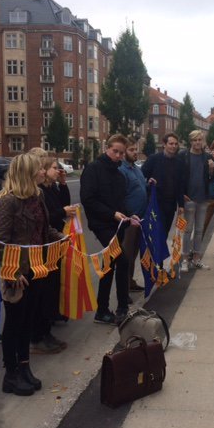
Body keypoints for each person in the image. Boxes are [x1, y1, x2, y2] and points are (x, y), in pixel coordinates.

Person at [0, 153, 65, 396]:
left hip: (38, 268)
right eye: (38, 169)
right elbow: (2, 242)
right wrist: (11, 273)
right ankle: (11, 374)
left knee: (27, 322)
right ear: (27, 173)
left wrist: (61, 238)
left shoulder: (38, 196)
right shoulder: (8, 202)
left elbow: (44, 228)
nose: (43, 172)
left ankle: (25, 368)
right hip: (18, 273)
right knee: (14, 324)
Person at [80, 134, 139, 325]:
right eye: (116, 151)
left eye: (122, 153)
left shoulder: (118, 173)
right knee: (121, 260)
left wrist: (131, 215)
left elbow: (121, 201)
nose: (119, 156)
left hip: (118, 224)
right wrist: (112, 213)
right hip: (101, 225)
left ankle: (102, 310)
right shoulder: (93, 169)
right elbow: (88, 200)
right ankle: (122, 307)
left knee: (109, 265)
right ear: (107, 149)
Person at [30, 156, 77, 354]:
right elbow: (49, 216)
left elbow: (59, 209)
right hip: (40, 248)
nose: (58, 171)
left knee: (50, 289)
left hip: (52, 241)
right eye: (52, 168)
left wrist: (64, 185)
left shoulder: (49, 189)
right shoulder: (37, 192)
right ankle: (38, 336)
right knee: (41, 293)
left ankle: (46, 330)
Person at [178, 130, 214, 271]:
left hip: (203, 198)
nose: (197, 142)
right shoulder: (183, 156)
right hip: (189, 198)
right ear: (191, 141)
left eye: (200, 140)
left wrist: (211, 169)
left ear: (203, 141)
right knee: (187, 230)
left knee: (199, 230)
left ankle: (197, 258)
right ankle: (185, 259)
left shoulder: (207, 157)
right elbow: (178, 176)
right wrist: (181, 194)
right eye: (195, 140)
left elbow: (210, 178)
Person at [141, 132, 185, 237]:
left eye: (175, 144)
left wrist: (181, 205)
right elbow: (141, 176)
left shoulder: (179, 163)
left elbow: (180, 185)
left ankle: (159, 253)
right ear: (164, 144)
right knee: (155, 234)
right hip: (155, 204)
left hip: (170, 205)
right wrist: (148, 182)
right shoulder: (153, 159)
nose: (173, 146)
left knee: (164, 233)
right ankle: (153, 253)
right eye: (171, 143)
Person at [119, 138, 148, 292]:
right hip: (129, 219)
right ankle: (124, 287)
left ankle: (129, 282)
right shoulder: (122, 170)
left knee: (134, 253)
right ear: (124, 153)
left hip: (140, 218)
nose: (135, 152)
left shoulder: (136, 168)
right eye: (131, 150)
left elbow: (140, 186)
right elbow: (120, 196)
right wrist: (128, 215)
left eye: (136, 149)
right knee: (127, 254)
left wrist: (149, 183)